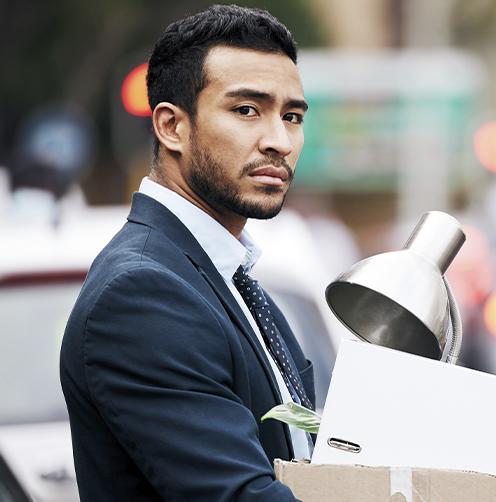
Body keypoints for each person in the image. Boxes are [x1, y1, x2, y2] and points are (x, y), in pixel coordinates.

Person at [60, 5, 314, 500]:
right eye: (246, 111)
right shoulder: (142, 293)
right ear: (172, 127)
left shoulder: (232, 279)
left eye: (292, 116)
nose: (279, 141)